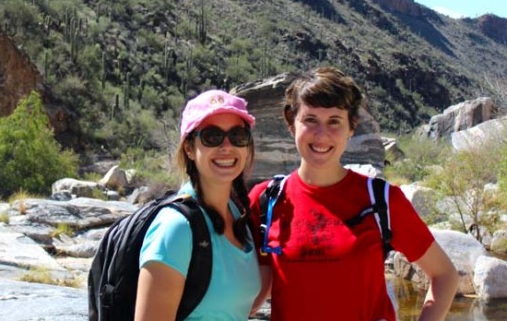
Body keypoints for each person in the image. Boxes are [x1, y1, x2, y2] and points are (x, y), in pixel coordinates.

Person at [248, 67, 458, 321]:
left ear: (351, 127)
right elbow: (248, 285)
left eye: (334, 121)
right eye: (310, 120)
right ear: (291, 124)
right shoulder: (267, 200)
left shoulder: (381, 200)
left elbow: (444, 275)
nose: (321, 134)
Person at [135, 89, 261, 321]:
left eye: (238, 136)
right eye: (212, 137)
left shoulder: (239, 215)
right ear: (189, 148)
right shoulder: (176, 228)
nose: (227, 146)